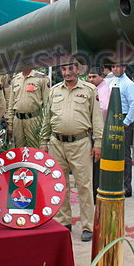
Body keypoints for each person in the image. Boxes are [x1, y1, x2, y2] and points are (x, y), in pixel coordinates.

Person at [40, 62, 103, 242]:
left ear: (78, 69)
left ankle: (88, 226)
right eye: (64, 69)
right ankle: (63, 222)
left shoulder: (89, 90)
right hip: (56, 143)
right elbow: (47, 118)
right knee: (60, 184)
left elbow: (97, 118)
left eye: (71, 68)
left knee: (84, 185)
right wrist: (43, 142)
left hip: (80, 143)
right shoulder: (54, 91)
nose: (67, 72)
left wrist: (97, 142)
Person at [111, 63, 134, 197]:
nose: (115, 69)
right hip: (113, 119)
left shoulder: (128, 84)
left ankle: (127, 186)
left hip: (124, 119)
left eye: (118, 66)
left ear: (124, 68)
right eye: (113, 67)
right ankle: (116, 182)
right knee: (114, 153)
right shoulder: (112, 82)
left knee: (125, 155)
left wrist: (126, 123)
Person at [5, 69, 49, 147]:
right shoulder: (16, 79)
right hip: (17, 121)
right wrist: (10, 125)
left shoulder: (42, 78)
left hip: (34, 120)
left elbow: (47, 104)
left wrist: (45, 127)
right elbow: (11, 105)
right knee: (19, 150)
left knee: (34, 150)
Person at [88, 67, 110, 202]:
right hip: (94, 129)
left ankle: (96, 194)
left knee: (96, 163)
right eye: (89, 77)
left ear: (101, 76)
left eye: (94, 77)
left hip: (98, 130)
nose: (91, 79)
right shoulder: (94, 89)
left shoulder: (104, 89)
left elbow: (104, 108)